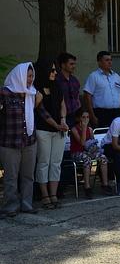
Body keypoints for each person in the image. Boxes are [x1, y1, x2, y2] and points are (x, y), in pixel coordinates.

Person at [0, 63, 41, 218]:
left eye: (31, 76)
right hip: (9, 143)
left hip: (29, 142)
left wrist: (59, 124)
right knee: (11, 176)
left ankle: (26, 204)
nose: (30, 79)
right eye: (27, 76)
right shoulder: (4, 93)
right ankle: (10, 206)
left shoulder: (32, 93)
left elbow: (41, 113)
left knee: (28, 175)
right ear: (19, 76)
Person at [34, 59, 69, 209]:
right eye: (52, 70)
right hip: (43, 130)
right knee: (43, 163)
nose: (55, 73)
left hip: (58, 130)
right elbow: (41, 112)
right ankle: (44, 195)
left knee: (56, 163)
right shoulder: (36, 88)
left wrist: (63, 120)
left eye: (55, 70)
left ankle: (54, 195)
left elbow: (62, 105)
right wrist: (57, 125)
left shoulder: (57, 86)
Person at [69, 109, 112, 198]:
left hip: (89, 151)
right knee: (87, 159)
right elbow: (82, 143)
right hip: (77, 152)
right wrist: (84, 129)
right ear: (78, 118)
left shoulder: (90, 129)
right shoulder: (74, 129)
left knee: (103, 158)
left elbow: (92, 142)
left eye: (87, 117)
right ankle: (87, 187)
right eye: (83, 117)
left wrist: (95, 149)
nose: (86, 119)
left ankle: (105, 184)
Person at [84, 51, 120, 128]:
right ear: (99, 62)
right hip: (101, 113)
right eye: (107, 60)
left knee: (116, 137)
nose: (110, 62)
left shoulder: (116, 76)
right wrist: (92, 115)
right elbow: (88, 96)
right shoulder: (93, 76)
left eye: (110, 60)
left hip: (117, 113)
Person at [56, 52, 81, 127]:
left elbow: (77, 97)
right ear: (63, 65)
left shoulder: (74, 80)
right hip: (61, 116)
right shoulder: (57, 80)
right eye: (71, 64)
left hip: (75, 116)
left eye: (74, 64)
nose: (74, 66)